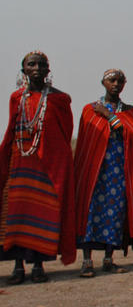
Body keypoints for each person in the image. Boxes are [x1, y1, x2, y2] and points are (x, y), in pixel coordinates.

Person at [0, 51, 76, 283]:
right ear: (23, 70)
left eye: (42, 65)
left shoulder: (60, 99)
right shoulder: (16, 97)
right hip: (20, 162)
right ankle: (18, 266)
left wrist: (61, 165)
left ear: (48, 70)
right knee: (17, 214)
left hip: (47, 166)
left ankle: (39, 265)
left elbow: (64, 135)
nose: (37, 68)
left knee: (44, 214)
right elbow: (12, 128)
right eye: (31, 65)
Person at [73, 69, 133, 277]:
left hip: (118, 170)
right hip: (95, 171)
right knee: (91, 211)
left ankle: (109, 258)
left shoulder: (129, 111)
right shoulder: (89, 110)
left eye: (120, 81)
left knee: (116, 212)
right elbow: (86, 142)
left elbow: (129, 132)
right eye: (112, 80)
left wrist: (109, 115)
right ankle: (86, 261)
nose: (116, 84)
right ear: (103, 82)